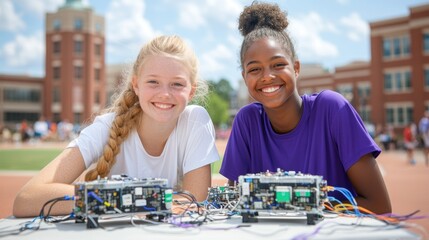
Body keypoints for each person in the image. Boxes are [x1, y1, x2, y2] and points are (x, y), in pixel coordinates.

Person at [13, 35, 220, 217]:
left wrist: (119, 201)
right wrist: (122, 200)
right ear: (136, 84)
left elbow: (194, 202)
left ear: (191, 92)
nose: (165, 93)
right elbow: (27, 198)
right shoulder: (106, 127)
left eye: (177, 84)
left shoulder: (195, 120)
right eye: (153, 82)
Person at [219, 2, 391, 214]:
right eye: (255, 69)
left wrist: (304, 202)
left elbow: (380, 206)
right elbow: (233, 204)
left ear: (296, 68)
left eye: (278, 65)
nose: (267, 76)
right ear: (244, 78)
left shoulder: (332, 109)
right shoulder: (247, 121)